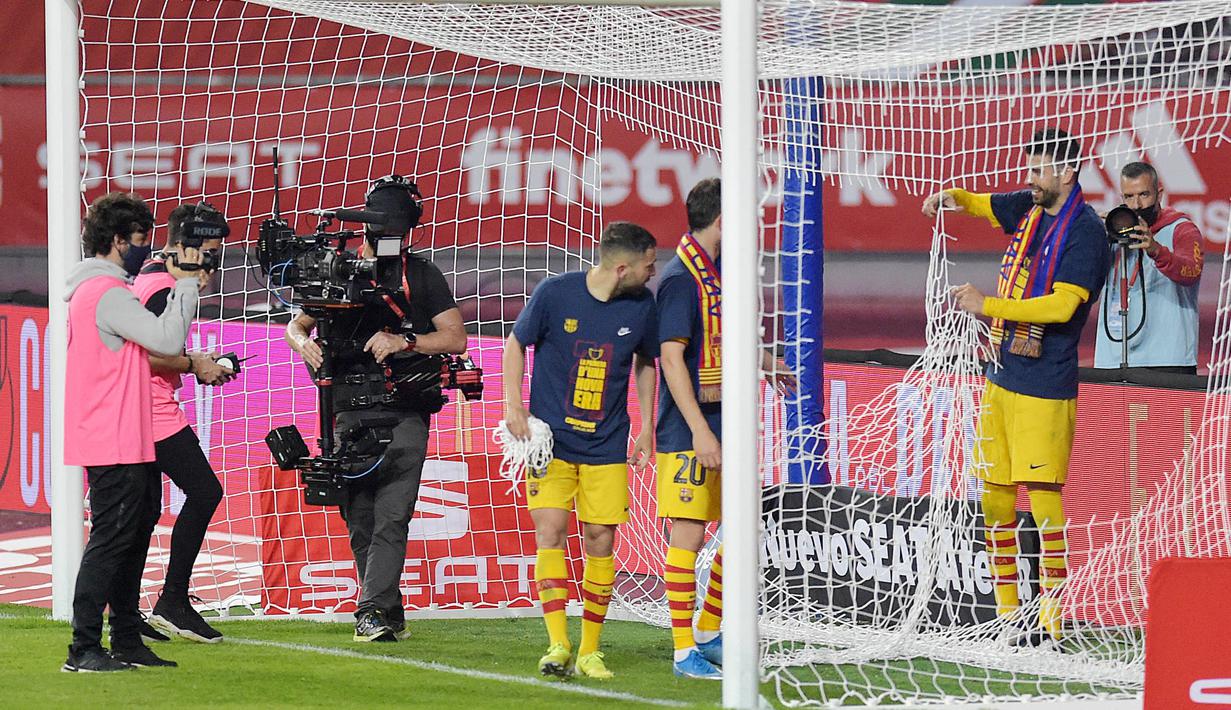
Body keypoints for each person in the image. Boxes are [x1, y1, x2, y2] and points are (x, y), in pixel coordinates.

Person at [921, 128, 1110, 646]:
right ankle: (1008, 615)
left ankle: (1050, 620)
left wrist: (990, 307)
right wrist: (951, 198)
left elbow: (1061, 306)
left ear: (1066, 173)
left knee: (1045, 500)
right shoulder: (1031, 209)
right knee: (996, 498)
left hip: (1046, 383)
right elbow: (983, 205)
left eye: (1038, 170)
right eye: (1028, 169)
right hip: (1001, 377)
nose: (1029, 179)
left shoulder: (1086, 232)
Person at [285, 176, 467, 643]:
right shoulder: (335, 268)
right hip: (345, 406)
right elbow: (296, 325)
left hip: (404, 406)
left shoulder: (421, 275)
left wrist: (404, 339)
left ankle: (368, 611)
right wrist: (303, 343)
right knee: (360, 515)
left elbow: (455, 337)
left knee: (392, 514)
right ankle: (386, 609)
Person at [502, 221, 660, 680]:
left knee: (601, 540)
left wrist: (647, 425)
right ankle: (557, 643)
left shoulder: (642, 305)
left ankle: (591, 649)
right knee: (549, 531)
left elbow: (647, 363)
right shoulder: (556, 294)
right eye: (649, 264)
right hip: (550, 443)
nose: (654, 272)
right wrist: (514, 403)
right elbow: (516, 343)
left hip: (607, 444)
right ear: (623, 267)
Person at [655, 178, 794, 679]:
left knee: (742, 529)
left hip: (728, 421)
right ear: (721, 221)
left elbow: (723, 337)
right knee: (688, 535)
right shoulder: (679, 278)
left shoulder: (716, 273)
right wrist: (699, 431)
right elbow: (671, 358)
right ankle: (682, 651)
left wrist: (764, 362)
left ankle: (710, 629)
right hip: (691, 431)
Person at [63, 192, 202, 671]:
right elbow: (167, 339)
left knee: (129, 537)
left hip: (124, 435)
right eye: (140, 241)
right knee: (110, 541)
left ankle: (124, 639)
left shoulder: (94, 291)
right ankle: (83, 648)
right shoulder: (107, 294)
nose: (147, 251)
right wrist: (185, 286)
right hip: (113, 437)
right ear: (119, 241)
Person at [131, 202, 235, 644]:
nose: (213, 264)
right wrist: (195, 363)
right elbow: (147, 351)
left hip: (140, 408)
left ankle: (127, 608)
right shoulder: (162, 287)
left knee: (144, 512)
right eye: (210, 252)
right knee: (206, 490)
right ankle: (172, 601)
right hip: (149, 410)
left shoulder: (155, 276)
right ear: (185, 246)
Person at [1093, 161, 1203, 373]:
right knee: (1111, 409)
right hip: (1112, 354)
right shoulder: (1113, 232)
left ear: (1159, 194)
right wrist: (1092, 239)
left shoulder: (1182, 229)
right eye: (1129, 196)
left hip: (1168, 357)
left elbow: (1192, 272)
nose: (1136, 205)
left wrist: (1155, 250)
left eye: (1144, 195)